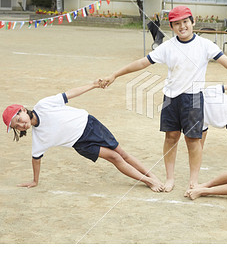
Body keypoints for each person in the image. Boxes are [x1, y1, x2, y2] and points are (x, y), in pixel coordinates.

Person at [100, 5, 227, 193]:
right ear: (172, 27)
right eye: (177, 24)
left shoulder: (205, 45)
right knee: (171, 137)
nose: (182, 26)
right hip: (171, 98)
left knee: (193, 140)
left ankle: (194, 181)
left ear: (193, 22)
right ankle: (170, 178)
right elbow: (142, 63)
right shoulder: (168, 47)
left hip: (193, 99)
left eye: (185, 22)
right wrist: (115, 75)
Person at [2, 80, 164, 191]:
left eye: (19, 119)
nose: (21, 124)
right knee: (115, 158)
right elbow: (36, 159)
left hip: (90, 125)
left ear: (23, 109)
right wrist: (35, 181)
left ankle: (151, 175)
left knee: (122, 153)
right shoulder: (38, 138)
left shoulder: (43, 105)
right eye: (17, 126)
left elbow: (69, 94)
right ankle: (148, 181)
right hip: (81, 144)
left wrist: (93, 85)